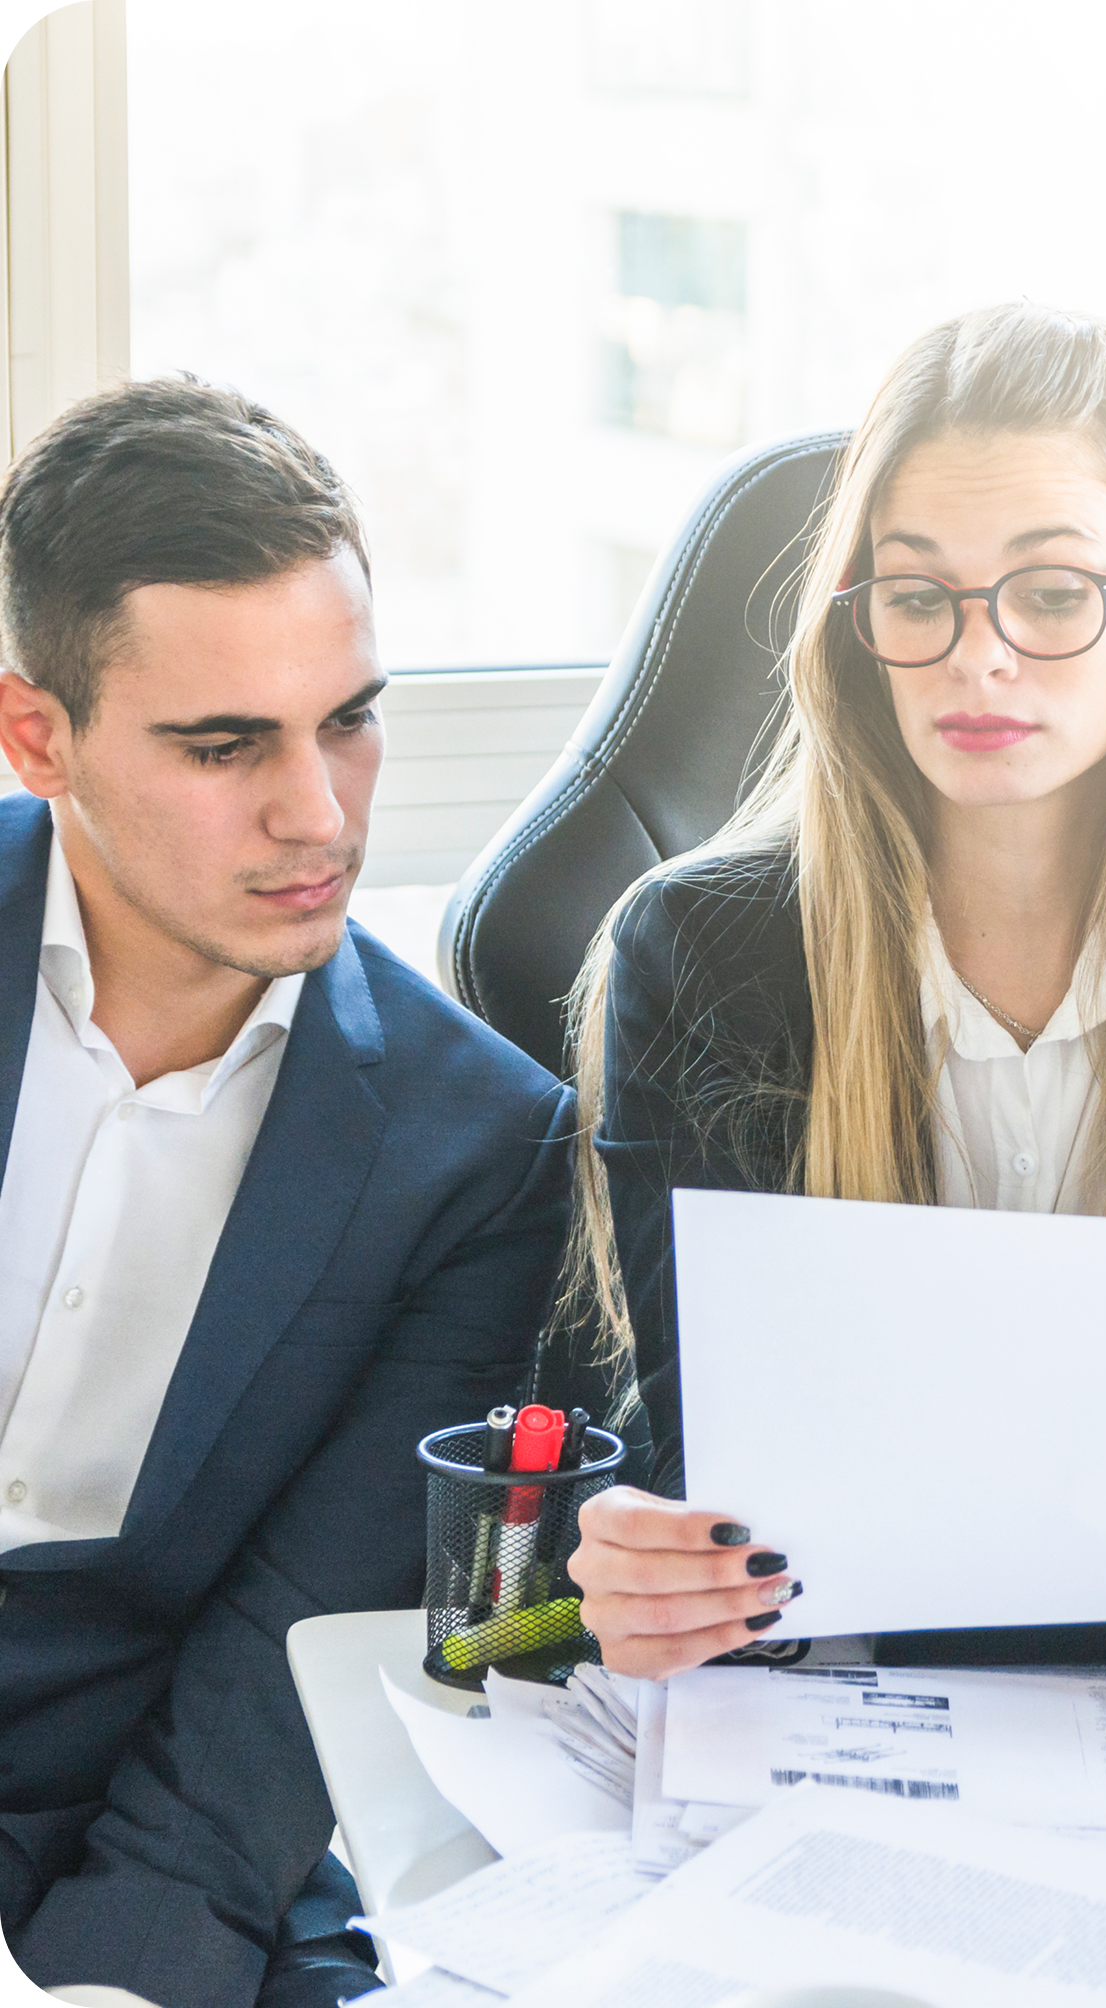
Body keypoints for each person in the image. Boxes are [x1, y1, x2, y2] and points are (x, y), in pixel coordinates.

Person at [564, 303, 1106, 1722]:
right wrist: (625, 1565)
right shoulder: (705, 951)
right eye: (918, 597)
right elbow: (668, 1462)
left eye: (1050, 593)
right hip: (823, 1717)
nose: (979, 659)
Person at [0, 379, 572, 2008]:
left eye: (349, 718)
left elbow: (278, 1673)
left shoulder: (477, 1148)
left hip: (153, 1827)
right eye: (224, 743)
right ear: (38, 734)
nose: (317, 811)